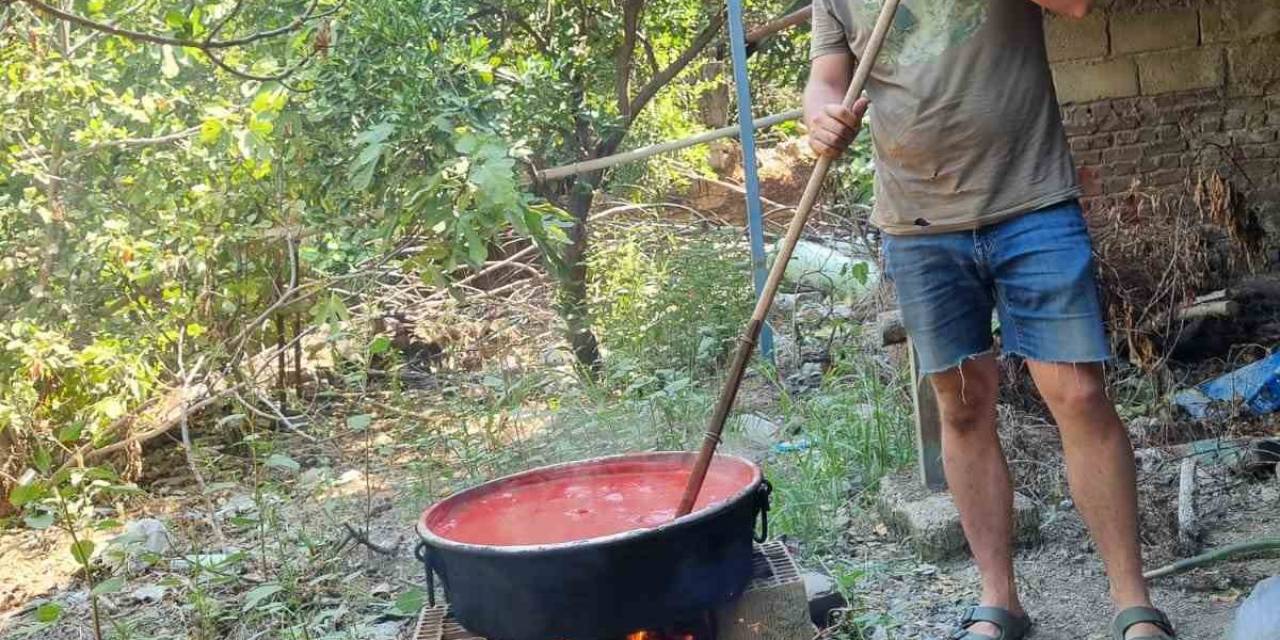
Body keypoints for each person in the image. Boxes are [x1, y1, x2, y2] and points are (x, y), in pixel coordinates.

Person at [802, 1, 1177, 638]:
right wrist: (820, 118)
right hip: (918, 222)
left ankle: (1132, 604)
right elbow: (828, 77)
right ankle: (999, 601)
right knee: (964, 406)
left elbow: (1079, 6)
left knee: (1079, 394)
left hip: (1032, 203)